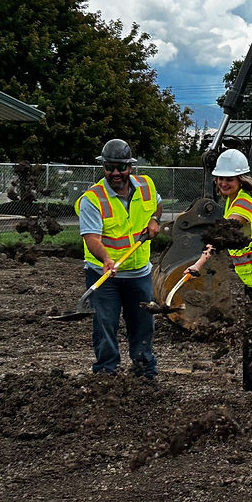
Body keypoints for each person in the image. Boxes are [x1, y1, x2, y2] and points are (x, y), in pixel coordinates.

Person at [188, 149, 252, 397]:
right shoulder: (237, 199)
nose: (223, 183)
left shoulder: (242, 203)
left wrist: (199, 264)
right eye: (220, 178)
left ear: (240, 180)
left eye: (229, 179)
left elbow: (233, 223)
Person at [76, 138, 161, 378]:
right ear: (103, 167)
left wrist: (154, 221)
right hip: (104, 274)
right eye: (109, 167)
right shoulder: (92, 199)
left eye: (120, 167)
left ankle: (145, 370)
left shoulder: (146, 186)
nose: (115, 173)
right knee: (105, 324)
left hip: (139, 273)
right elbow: (91, 238)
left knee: (143, 323)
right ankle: (106, 372)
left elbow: (157, 206)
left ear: (130, 167)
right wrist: (105, 258)